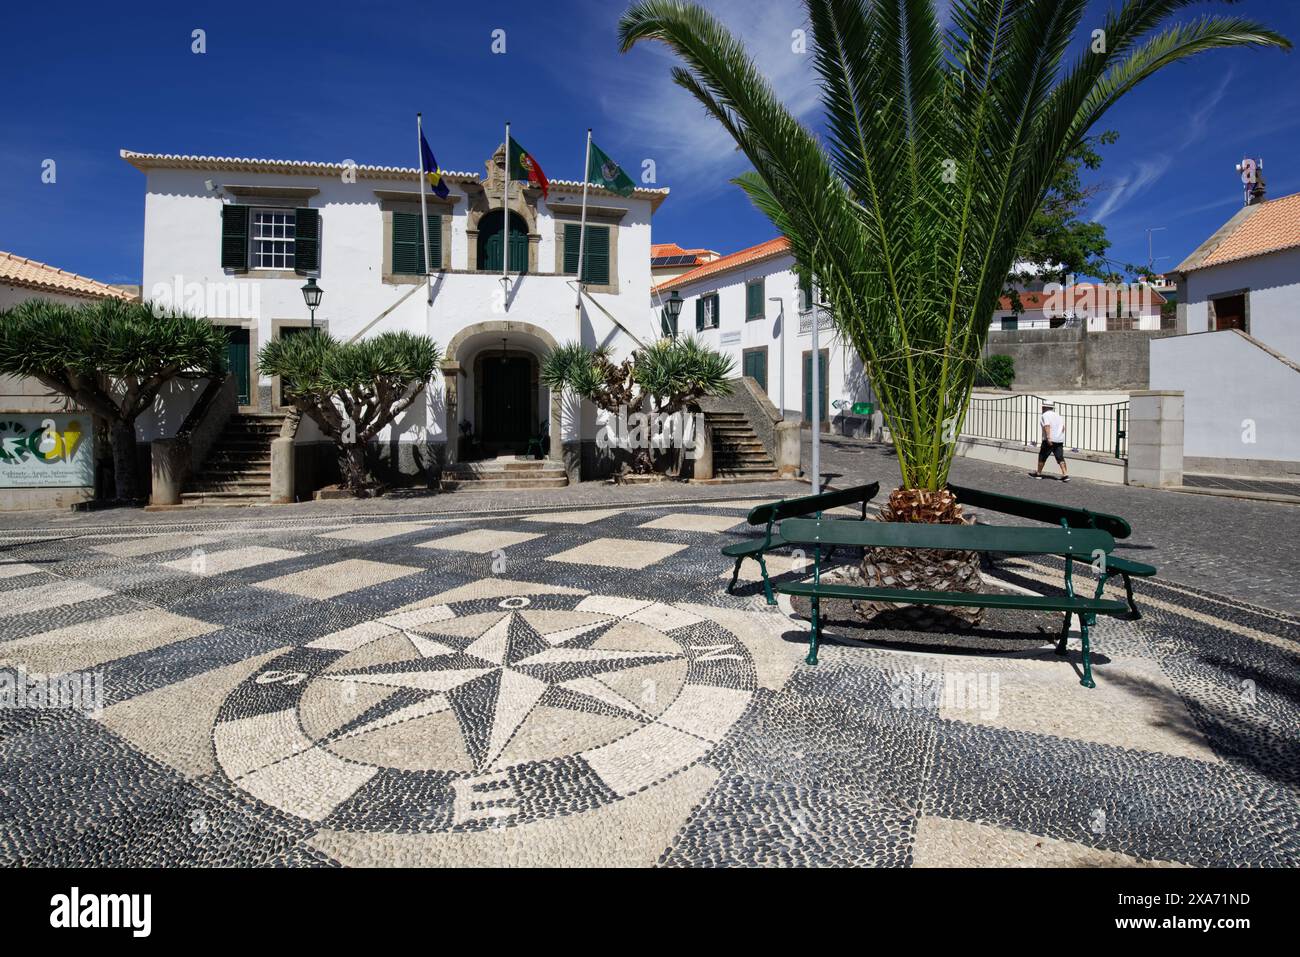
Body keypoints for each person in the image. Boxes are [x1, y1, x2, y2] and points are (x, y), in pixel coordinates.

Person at [1030, 401, 1069, 481]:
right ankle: (1065, 475)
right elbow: (1063, 428)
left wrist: (1048, 437)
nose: (1042, 408)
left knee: (1042, 456)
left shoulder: (1045, 415)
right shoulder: (1058, 415)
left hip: (1049, 440)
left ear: (1045, 407)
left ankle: (1038, 474)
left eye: (1043, 407)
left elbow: (1047, 426)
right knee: (1060, 457)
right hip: (1059, 440)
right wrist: (1059, 436)